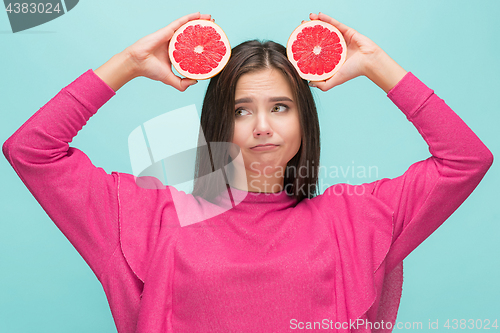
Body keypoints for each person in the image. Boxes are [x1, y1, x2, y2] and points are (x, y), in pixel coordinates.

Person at [2, 11, 493, 333]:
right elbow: (31, 151)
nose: (261, 127)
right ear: (217, 123)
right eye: (240, 111)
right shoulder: (150, 217)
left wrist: (375, 64)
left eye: (280, 107)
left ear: (304, 119)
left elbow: (466, 160)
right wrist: (128, 64)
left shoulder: (356, 216)